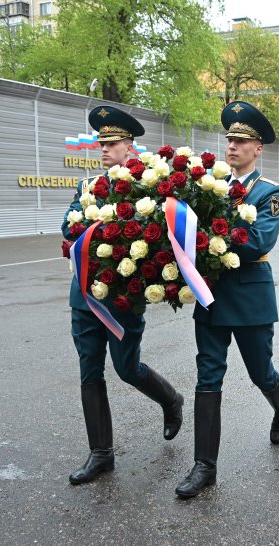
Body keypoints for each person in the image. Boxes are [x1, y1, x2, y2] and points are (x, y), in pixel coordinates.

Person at [61, 106, 184, 485]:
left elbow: (160, 237)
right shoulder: (87, 188)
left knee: (127, 369)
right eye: (102, 142)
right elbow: (68, 227)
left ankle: (171, 400)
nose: (103, 148)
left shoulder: (144, 187)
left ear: (130, 145)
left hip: (122, 298)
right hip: (85, 296)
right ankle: (101, 455)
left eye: (111, 143)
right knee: (89, 372)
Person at [176, 101, 279, 499]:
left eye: (242, 141)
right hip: (210, 293)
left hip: (249, 296)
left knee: (261, 372)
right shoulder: (206, 187)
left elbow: (258, 240)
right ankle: (204, 466)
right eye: (229, 139)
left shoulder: (270, 193)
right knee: (208, 376)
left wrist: (202, 240)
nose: (232, 146)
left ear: (259, 148)